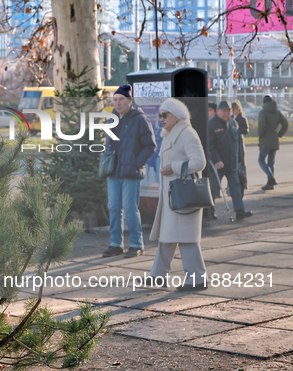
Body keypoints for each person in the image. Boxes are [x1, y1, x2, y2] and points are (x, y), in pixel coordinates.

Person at [149, 98, 207, 291]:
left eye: (164, 114)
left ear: (176, 115)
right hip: (172, 196)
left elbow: (199, 162)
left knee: (187, 238)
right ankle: (158, 276)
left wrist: (173, 167)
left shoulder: (187, 133)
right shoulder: (171, 133)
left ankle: (197, 279)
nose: (161, 118)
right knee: (167, 236)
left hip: (183, 196)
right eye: (160, 115)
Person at [102, 85, 156, 258]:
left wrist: (136, 164)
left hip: (130, 172)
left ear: (130, 101)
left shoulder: (140, 119)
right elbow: (108, 144)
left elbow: (150, 145)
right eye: (115, 100)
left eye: (121, 100)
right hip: (113, 171)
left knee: (129, 208)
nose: (117, 103)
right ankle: (116, 244)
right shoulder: (112, 118)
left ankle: (136, 243)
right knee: (114, 208)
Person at [208, 100, 253, 221]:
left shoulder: (234, 123)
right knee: (213, 189)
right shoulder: (211, 125)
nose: (226, 113)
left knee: (236, 187)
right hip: (218, 165)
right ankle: (209, 212)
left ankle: (240, 211)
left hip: (232, 163)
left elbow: (237, 143)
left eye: (228, 111)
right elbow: (209, 146)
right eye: (223, 111)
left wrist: (239, 160)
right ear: (218, 111)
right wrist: (216, 160)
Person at [258, 95, 288, 190]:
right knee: (271, 162)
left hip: (265, 139)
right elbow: (285, 123)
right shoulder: (277, 112)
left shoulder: (263, 112)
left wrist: (261, 135)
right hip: (274, 139)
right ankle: (270, 183)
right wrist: (279, 134)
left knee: (261, 160)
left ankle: (271, 178)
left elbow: (262, 124)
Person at [231, 100, 249, 196]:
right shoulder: (230, 118)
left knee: (241, 162)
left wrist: (237, 129)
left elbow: (246, 130)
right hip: (232, 142)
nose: (234, 111)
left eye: (236, 109)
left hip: (239, 142)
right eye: (233, 110)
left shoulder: (242, 118)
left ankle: (244, 181)